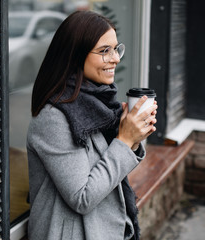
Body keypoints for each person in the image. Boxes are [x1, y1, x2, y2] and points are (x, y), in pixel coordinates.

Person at [26, 10, 158, 240]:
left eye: (116, 49)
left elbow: (108, 170)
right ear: (75, 56)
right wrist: (124, 140)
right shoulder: (54, 116)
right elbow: (82, 197)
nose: (115, 58)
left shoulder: (98, 105)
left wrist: (133, 138)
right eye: (104, 51)